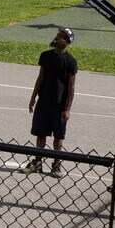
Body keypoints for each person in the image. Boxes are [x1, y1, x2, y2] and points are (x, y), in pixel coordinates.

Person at [27, 27, 79, 175]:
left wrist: (68, 108)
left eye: (62, 36)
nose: (58, 37)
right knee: (40, 133)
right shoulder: (45, 56)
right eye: (58, 34)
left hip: (59, 104)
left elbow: (71, 87)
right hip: (44, 101)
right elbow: (40, 78)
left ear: (67, 42)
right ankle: (37, 161)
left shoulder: (70, 61)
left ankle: (56, 163)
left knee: (58, 136)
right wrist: (33, 98)